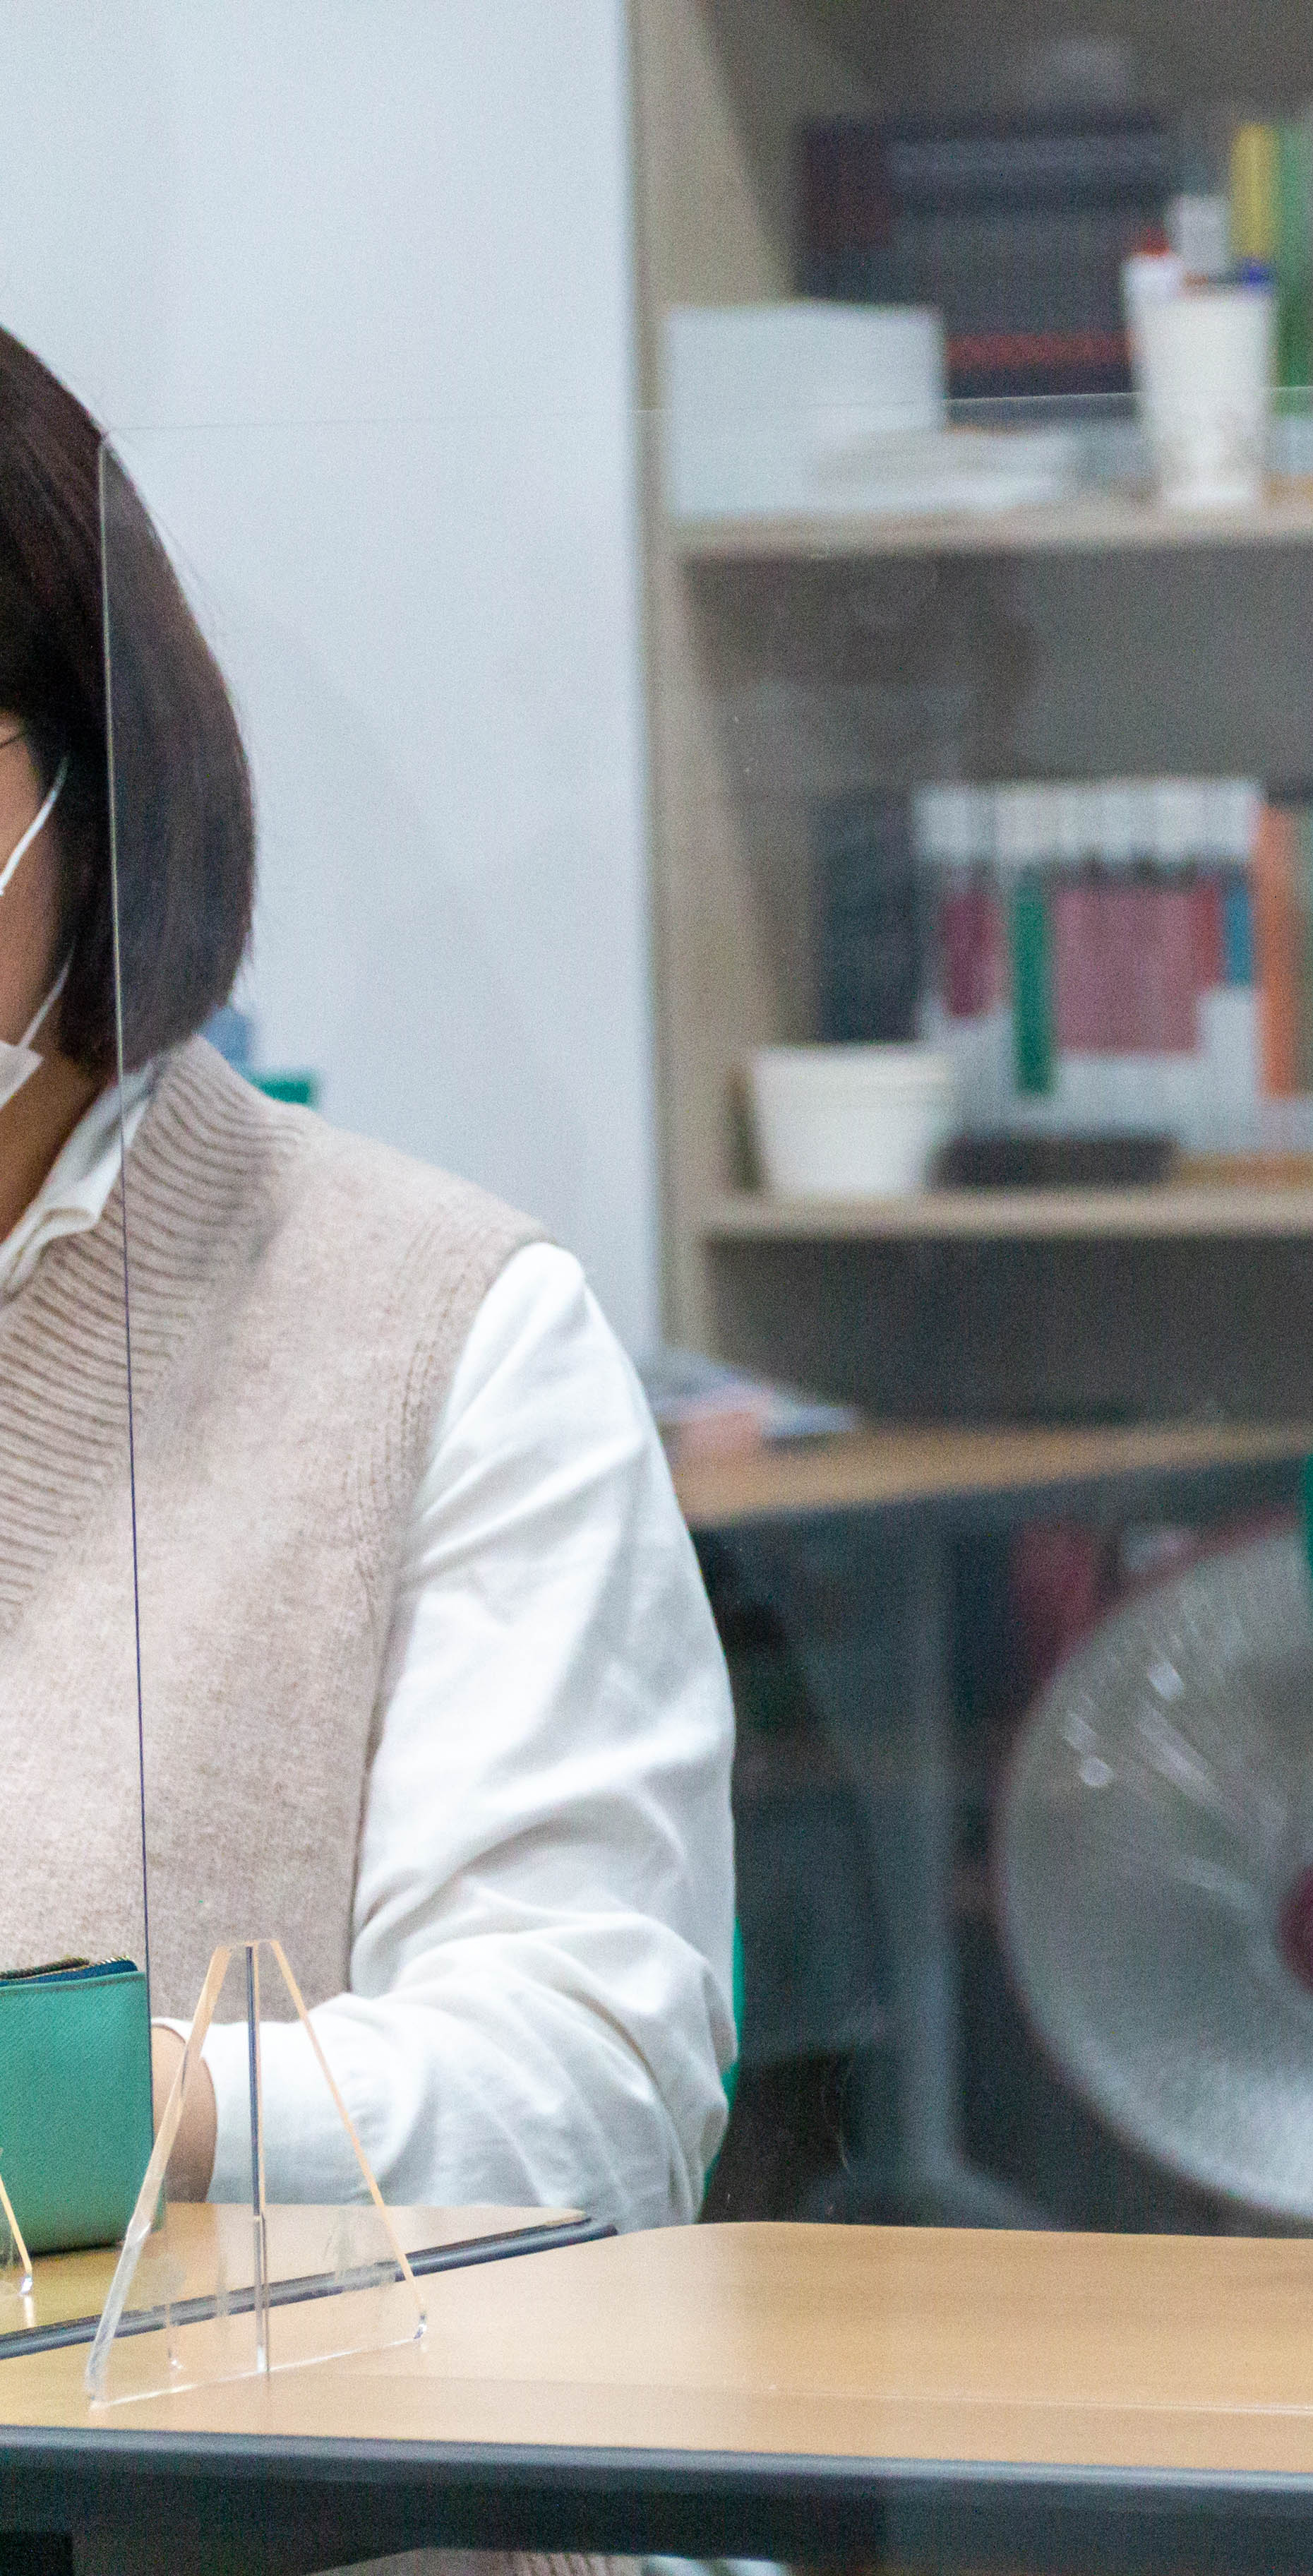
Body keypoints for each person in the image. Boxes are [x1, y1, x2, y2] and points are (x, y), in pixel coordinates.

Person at [0, 324, 732, 2237]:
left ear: (93, 783)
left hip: (224, 2434)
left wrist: (114, 2111)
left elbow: (595, 2093)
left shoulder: (443, 1335)